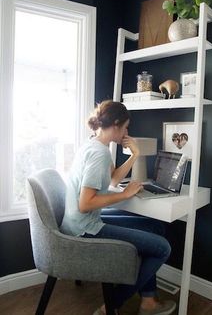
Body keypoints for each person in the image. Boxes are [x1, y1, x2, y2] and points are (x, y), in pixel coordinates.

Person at [60, 100, 176, 315]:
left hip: (81, 221)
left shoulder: (95, 144)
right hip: (84, 229)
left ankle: (148, 302)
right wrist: (125, 194)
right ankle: (110, 305)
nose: (127, 131)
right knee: (162, 248)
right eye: (125, 126)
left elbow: (112, 180)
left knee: (155, 227)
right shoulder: (99, 153)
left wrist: (134, 155)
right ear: (115, 124)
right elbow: (85, 204)